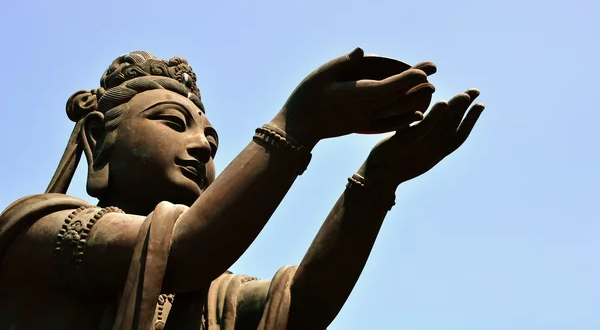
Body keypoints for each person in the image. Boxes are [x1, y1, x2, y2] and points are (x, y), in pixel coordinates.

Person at [0, 49, 483, 329]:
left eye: (211, 140)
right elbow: (184, 249)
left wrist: (374, 185)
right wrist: (297, 127)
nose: (201, 148)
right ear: (96, 139)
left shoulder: (206, 295)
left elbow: (298, 304)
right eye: (172, 123)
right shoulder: (38, 232)